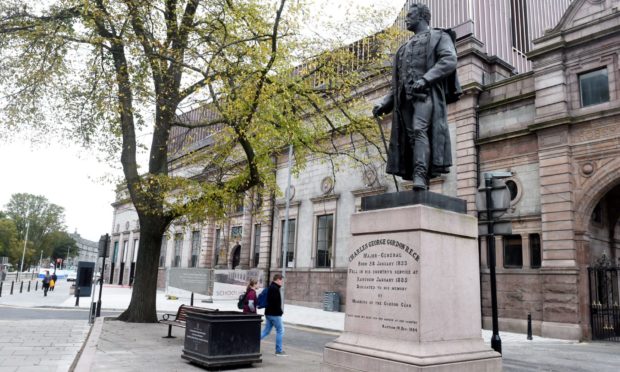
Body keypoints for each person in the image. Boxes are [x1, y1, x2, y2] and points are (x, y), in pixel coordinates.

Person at [373, 3, 461, 190]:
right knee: (411, 136)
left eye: (410, 15)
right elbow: (397, 84)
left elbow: (449, 59)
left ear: (421, 17)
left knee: (419, 129)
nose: (406, 18)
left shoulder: (440, 36)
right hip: (404, 100)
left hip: (426, 95)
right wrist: (384, 103)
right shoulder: (402, 49)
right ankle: (417, 174)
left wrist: (427, 79)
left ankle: (420, 175)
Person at [260, 274, 286, 356]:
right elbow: (274, 303)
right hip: (274, 314)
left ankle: (253, 342)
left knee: (266, 331)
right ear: (278, 279)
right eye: (282, 280)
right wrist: (280, 312)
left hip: (268, 313)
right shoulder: (275, 289)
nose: (282, 282)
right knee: (280, 330)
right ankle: (278, 351)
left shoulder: (271, 287)